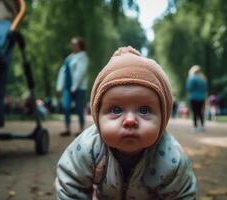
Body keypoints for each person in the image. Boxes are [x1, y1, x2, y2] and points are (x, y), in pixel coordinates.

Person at [55, 46, 197, 199]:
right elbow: (70, 183)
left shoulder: (171, 158)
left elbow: (183, 194)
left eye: (144, 110)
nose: (130, 120)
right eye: (116, 110)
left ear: (163, 117)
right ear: (97, 116)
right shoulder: (87, 148)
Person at [56, 37, 89, 136]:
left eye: (74, 44)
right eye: (72, 44)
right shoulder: (69, 58)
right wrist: (59, 86)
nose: (72, 46)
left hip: (79, 88)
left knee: (79, 108)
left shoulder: (83, 57)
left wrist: (75, 86)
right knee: (66, 107)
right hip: (67, 87)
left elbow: (81, 72)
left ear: (80, 46)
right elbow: (63, 72)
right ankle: (67, 129)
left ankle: (81, 129)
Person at [186, 65, 208, 132]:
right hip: (202, 97)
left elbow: (189, 88)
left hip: (194, 97)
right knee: (200, 112)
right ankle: (202, 126)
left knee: (195, 112)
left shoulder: (192, 78)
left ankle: (195, 127)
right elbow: (205, 89)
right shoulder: (203, 78)